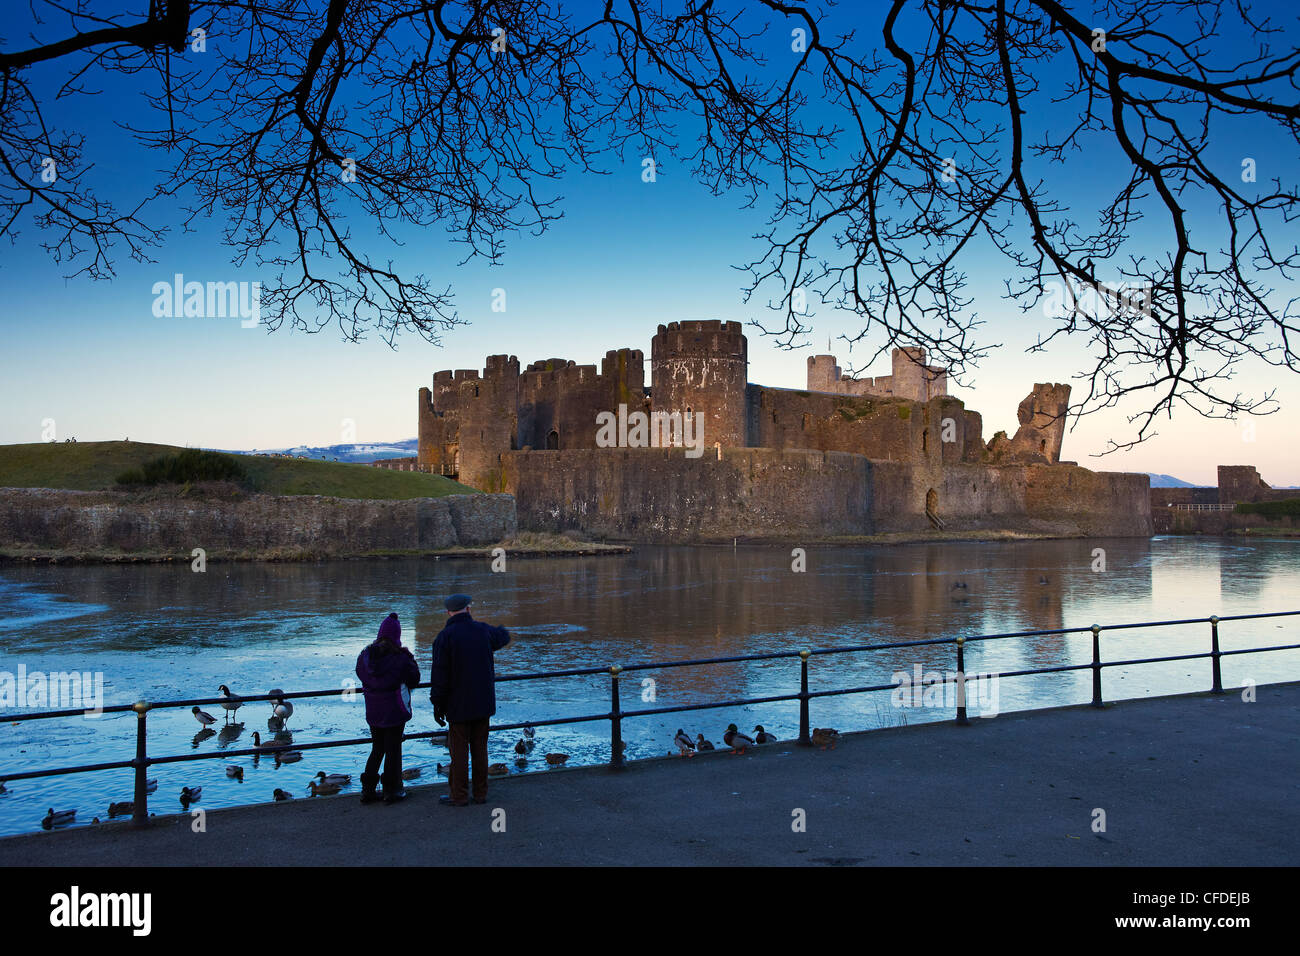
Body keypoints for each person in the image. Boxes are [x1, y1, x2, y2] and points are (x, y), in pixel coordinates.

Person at [428, 593, 511, 806]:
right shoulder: (483, 631)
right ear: (468, 609)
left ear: (448, 612)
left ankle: (459, 795)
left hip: (457, 705)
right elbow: (503, 636)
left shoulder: (444, 638)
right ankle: (481, 793)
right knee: (480, 749)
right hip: (483, 702)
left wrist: (438, 703)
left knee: (459, 752)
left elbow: (439, 675)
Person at [355, 612, 420, 804]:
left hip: (373, 708)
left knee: (377, 747)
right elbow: (414, 678)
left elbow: (360, 674)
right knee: (393, 748)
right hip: (394, 708)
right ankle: (391, 791)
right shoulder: (400, 658)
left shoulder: (365, 656)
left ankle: (368, 790)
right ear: (397, 635)